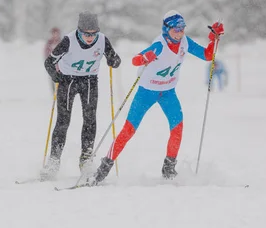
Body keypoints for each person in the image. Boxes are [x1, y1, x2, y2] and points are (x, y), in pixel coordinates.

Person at [89, 11, 224, 185]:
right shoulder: (159, 44)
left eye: (182, 28)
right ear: (167, 29)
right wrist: (145, 58)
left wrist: (214, 38)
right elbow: (135, 60)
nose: (180, 32)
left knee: (177, 128)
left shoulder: (185, 42)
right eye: (176, 29)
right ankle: (103, 169)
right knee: (128, 130)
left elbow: (207, 55)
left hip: (168, 92)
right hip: (147, 92)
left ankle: (168, 168)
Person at [42, 12, 121, 181]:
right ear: (79, 31)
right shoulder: (68, 41)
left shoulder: (102, 40)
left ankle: (86, 161)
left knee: (90, 120)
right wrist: (56, 77)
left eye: (93, 33)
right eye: (86, 34)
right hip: (68, 81)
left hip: (90, 81)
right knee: (63, 121)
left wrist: (114, 61)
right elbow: (49, 62)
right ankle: (54, 162)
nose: (90, 37)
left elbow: (113, 57)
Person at [44, 27, 62, 93]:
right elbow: (46, 53)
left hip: (61, 67)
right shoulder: (49, 43)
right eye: (54, 33)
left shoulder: (62, 42)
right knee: (53, 80)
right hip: (53, 66)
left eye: (57, 33)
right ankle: (54, 93)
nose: (55, 35)